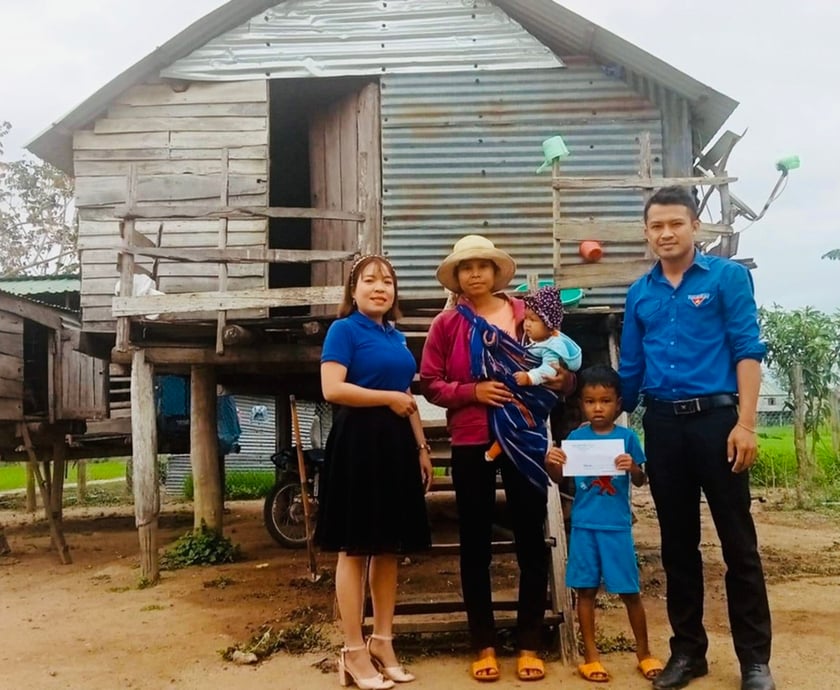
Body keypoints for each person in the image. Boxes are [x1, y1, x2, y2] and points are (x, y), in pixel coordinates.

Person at [618, 186, 775, 690]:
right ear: (647, 233)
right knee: (677, 546)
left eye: (675, 224)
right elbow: (632, 373)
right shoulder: (639, 293)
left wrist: (745, 423)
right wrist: (577, 395)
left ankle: (755, 660)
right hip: (663, 425)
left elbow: (747, 349)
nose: (666, 233)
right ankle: (688, 653)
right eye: (656, 226)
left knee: (738, 544)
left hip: (718, 423)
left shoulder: (728, 278)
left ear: (694, 227)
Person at [419, 234, 576, 683]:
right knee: (474, 542)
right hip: (472, 439)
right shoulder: (446, 325)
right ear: (457, 277)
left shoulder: (526, 315)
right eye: (465, 268)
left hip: (525, 438)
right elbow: (431, 383)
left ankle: (530, 642)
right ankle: (482, 641)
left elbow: (563, 373)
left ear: (495, 272)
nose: (474, 274)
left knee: (530, 536)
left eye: (482, 266)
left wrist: (561, 382)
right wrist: (474, 391)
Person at [315, 254, 434, 690]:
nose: (380, 287)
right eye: (370, 280)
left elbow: (407, 395)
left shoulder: (396, 337)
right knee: (355, 547)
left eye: (387, 281)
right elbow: (332, 388)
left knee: (388, 547)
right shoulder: (343, 330)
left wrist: (421, 446)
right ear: (353, 290)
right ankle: (352, 648)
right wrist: (386, 399)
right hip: (358, 444)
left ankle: (383, 640)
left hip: (397, 445)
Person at [544, 365, 663, 683]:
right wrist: (552, 463)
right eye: (590, 401)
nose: (598, 407)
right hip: (584, 526)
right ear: (580, 403)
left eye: (605, 401)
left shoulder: (627, 438)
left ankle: (644, 653)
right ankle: (591, 658)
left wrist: (633, 468)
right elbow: (560, 480)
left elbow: (640, 480)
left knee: (630, 592)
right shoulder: (575, 438)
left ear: (618, 403)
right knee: (585, 592)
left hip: (617, 528)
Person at [484, 285, 582, 463]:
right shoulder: (536, 340)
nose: (527, 323)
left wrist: (530, 377)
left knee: (517, 422)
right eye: (527, 319)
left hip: (533, 400)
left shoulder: (551, 346)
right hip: (484, 417)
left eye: (533, 320)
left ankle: (500, 444)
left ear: (549, 325)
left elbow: (549, 370)